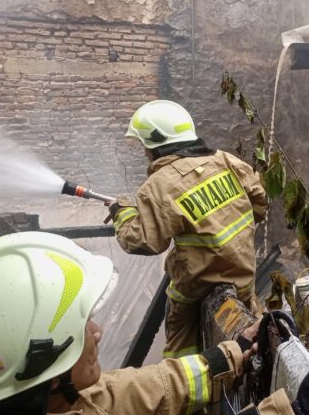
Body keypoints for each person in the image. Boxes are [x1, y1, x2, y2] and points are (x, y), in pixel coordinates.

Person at [0, 232, 309, 415]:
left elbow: (128, 392)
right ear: (39, 359)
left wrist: (227, 355)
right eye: (79, 322)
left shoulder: (41, 407)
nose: (98, 330)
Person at [109, 99, 268, 358]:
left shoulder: (158, 185)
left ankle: (186, 392)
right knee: (253, 337)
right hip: (243, 281)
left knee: (180, 356)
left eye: (143, 145)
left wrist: (122, 213)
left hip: (194, 292)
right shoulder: (225, 160)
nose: (143, 152)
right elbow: (259, 202)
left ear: (154, 142)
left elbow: (143, 242)